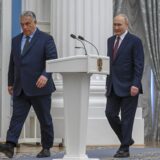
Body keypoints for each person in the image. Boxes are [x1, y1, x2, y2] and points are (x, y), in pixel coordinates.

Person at [0, 11, 57, 158]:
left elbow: (52, 60)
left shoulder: (46, 39)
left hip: (40, 88)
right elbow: (13, 63)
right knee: (16, 118)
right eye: (22, 24)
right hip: (20, 87)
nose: (25, 27)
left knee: (44, 119)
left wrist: (45, 75)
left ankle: (46, 147)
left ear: (35, 23)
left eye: (28, 24)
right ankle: (10, 145)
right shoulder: (16, 40)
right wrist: (10, 82)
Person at [105, 14, 144, 158]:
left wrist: (136, 84)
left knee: (127, 118)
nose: (116, 27)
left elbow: (139, 64)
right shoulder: (110, 41)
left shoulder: (135, 41)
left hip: (129, 87)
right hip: (113, 86)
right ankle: (127, 139)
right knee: (110, 113)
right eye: (114, 24)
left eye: (119, 25)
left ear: (126, 25)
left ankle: (125, 148)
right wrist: (107, 84)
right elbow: (111, 63)